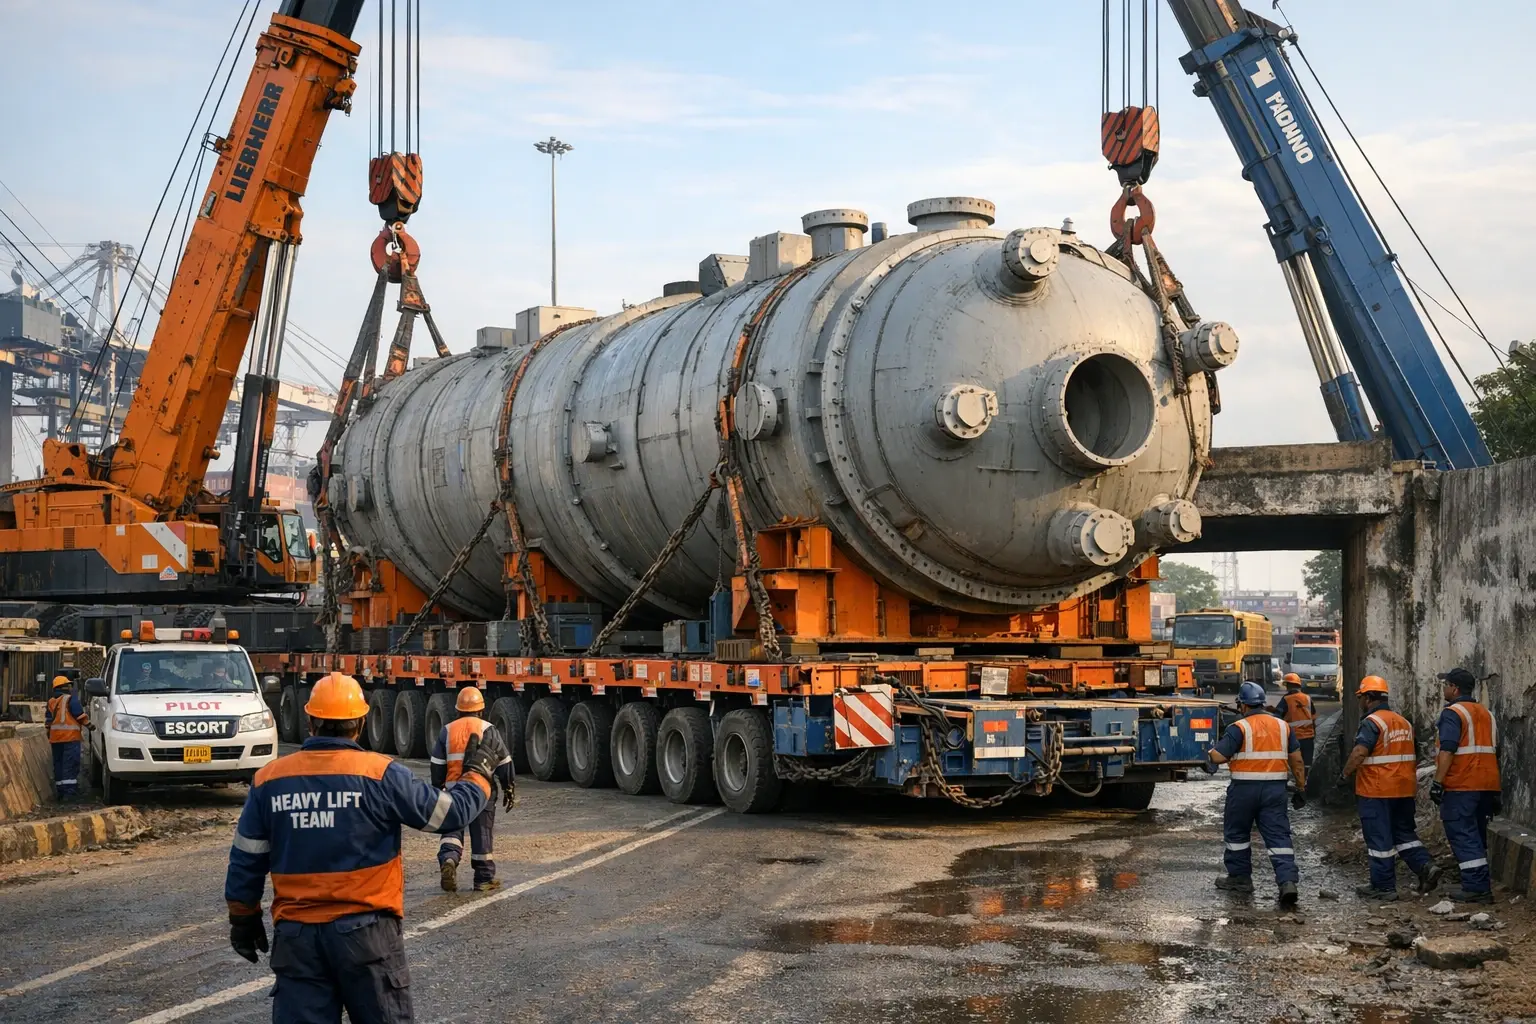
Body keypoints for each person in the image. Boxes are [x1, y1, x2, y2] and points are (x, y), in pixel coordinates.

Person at [224, 673, 508, 1023]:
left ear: (311, 721)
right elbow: (450, 815)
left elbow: (246, 857)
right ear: (359, 724)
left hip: (298, 939)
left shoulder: (270, 779)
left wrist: (242, 916)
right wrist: (479, 772)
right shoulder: (380, 774)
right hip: (367, 936)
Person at [1204, 680, 1305, 908]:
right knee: (1279, 836)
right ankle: (1287, 882)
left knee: (1237, 834)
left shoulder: (1239, 728)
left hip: (1244, 790)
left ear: (1243, 705)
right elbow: (1297, 760)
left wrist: (1208, 755)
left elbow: (1218, 757)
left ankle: (1240, 879)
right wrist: (1301, 787)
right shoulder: (1283, 726)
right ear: (1261, 703)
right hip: (1275, 791)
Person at [1340, 675, 1439, 900]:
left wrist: (1344, 775)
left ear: (1368, 697)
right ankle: (1425, 866)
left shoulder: (1372, 723)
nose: (1360, 702)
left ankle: (1383, 886)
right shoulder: (1403, 722)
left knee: (1379, 838)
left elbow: (1359, 752)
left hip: (1377, 790)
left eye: (1361, 697)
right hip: (1404, 789)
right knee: (1403, 833)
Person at [430, 687, 515, 893]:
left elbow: (437, 763)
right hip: (481, 791)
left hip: (452, 790)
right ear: (481, 710)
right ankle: (483, 879)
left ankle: (449, 859)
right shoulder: (489, 729)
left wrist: (438, 788)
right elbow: (504, 762)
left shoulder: (447, 730)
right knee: (482, 834)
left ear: (458, 710)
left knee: (451, 829)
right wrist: (508, 787)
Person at [1429, 667, 1501, 904]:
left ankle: (1476, 887)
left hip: (1462, 783)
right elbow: (1494, 751)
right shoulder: (1486, 714)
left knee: (1462, 833)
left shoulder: (1453, 713)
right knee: (1477, 834)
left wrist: (1437, 782)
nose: (1444, 689)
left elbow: (1448, 749)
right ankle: (1478, 883)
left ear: (1455, 688)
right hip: (1487, 784)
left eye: (1445, 685)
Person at [45, 675, 88, 800]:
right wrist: (89, 725)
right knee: (70, 764)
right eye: (68, 685)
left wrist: (49, 733)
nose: (70, 687)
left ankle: (61, 792)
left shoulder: (51, 701)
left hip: (55, 738)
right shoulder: (70, 699)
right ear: (63, 687)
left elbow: (48, 721)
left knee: (58, 764)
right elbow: (79, 714)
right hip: (70, 738)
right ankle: (70, 793)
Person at [1273, 673, 1316, 769]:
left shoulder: (1286, 699)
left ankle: (1296, 781)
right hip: (1308, 737)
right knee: (1307, 764)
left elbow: (1278, 717)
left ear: (1288, 685)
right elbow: (1313, 718)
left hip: (1293, 737)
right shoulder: (1307, 698)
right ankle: (1305, 781)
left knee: (1293, 764)